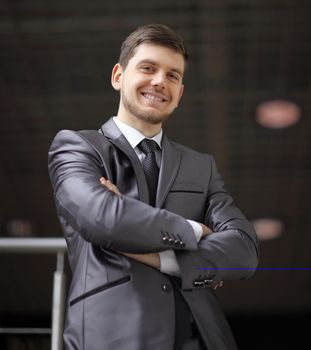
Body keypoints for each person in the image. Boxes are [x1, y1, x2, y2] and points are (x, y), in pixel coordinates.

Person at [48, 23, 259, 350]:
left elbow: (244, 251)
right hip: (114, 336)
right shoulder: (77, 147)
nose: (160, 81)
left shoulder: (201, 166)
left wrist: (164, 259)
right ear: (118, 76)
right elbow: (105, 218)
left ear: (180, 93)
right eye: (148, 68)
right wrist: (195, 230)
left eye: (173, 75)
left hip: (203, 337)